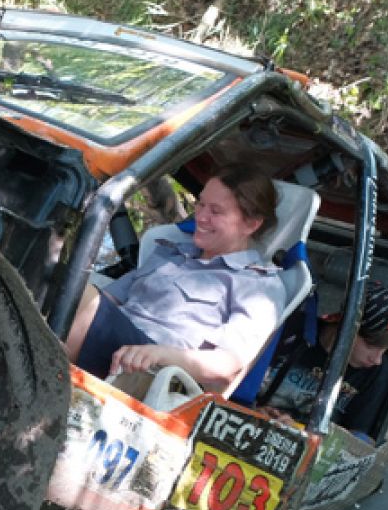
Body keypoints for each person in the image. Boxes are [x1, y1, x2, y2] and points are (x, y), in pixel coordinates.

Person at [64, 167, 289, 395]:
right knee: (62, 283)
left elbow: (228, 365)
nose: (200, 217)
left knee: (72, 292)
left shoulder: (259, 286)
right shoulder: (170, 252)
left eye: (216, 211)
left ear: (251, 224)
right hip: (112, 344)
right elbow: (108, 299)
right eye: (200, 204)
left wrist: (161, 354)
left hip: (156, 373)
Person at [261, 280, 388, 442]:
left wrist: (301, 433)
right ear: (346, 326)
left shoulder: (377, 374)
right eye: (370, 345)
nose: (377, 359)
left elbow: (356, 441)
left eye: (386, 350)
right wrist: (254, 411)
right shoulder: (294, 331)